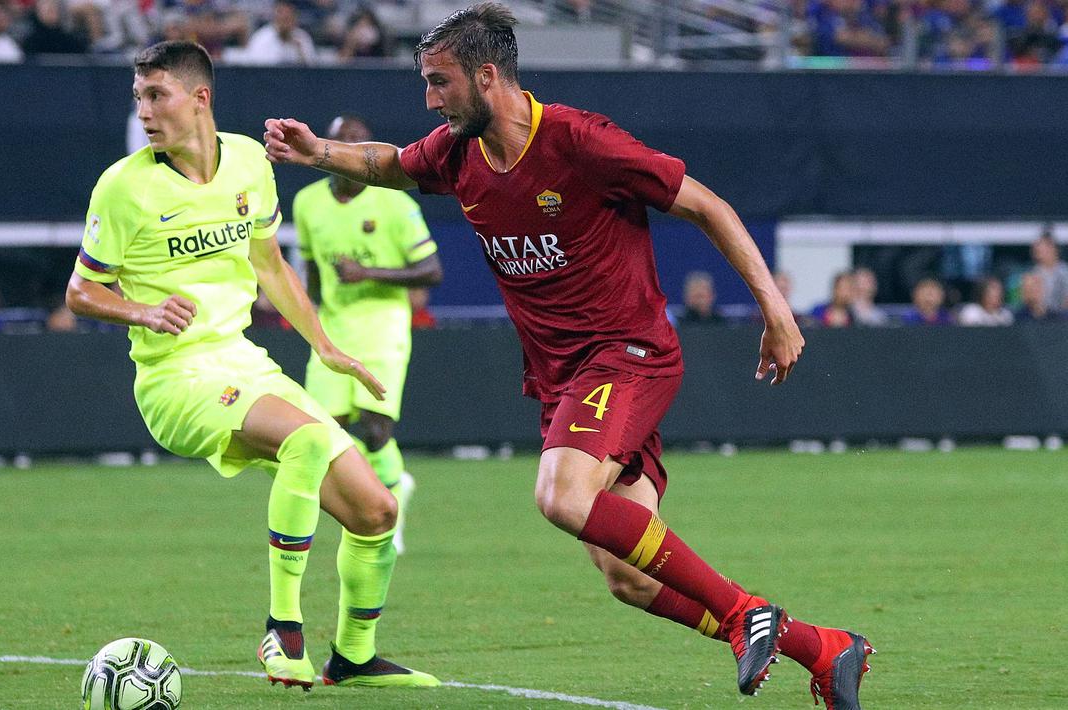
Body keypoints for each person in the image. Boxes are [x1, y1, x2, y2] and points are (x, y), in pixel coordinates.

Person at [263, 4, 872, 707]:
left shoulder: (581, 141)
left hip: (626, 355)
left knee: (559, 495)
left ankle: (744, 614)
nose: (429, 99)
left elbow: (705, 204)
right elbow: (392, 164)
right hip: (563, 381)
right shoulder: (458, 153)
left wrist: (774, 309)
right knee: (630, 578)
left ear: (486, 77)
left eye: (439, 83)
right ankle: (824, 649)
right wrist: (317, 153)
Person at [64, 40, 437, 690]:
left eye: (157, 95)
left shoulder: (246, 163)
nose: (145, 110)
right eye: (138, 98)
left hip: (242, 360)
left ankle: (353, 656)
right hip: (174, 380)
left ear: (199, 97)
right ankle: (281, 629)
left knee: (376, 511)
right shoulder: (123, 187)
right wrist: (142, 313)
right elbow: (79, 292)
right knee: (309, 437)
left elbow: (268, 263)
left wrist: (322, 344)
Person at [294, 114, 442, 555]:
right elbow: (314, 272)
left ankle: (389, 504)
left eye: (361, 144)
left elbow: (431, 270)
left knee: (376, 430)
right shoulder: (307, 203)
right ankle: (369, 504)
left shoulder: (395, 204)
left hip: (383, 326)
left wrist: (367, 273)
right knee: (320, 434)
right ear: (328, 149)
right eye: (342, 143)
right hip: (333, 329)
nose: (352, 151)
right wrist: (312, 321)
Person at [1030, 231, 1068, 313]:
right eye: (1036, 250)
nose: (1037, 252)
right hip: (1042, 319)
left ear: (1053, 248)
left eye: (1041, 248)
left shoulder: (1065, 270)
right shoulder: (1034, 273)